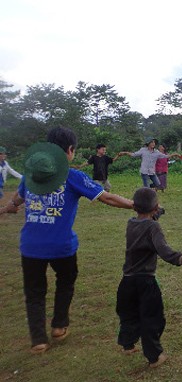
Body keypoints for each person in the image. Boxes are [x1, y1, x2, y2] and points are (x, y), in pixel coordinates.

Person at [0, 127, 134, 354]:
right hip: (62, 247)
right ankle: (59, 326)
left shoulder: (32, 175)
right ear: (70, 150)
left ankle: (38, 340)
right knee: (65, 282)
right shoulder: (73, 176)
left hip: (30, 247)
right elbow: (108, 198)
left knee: (34, 292)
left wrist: (6, 209)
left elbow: (16, 201)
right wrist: (138, 204)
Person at [116, 188, 182, 367]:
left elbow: (147, 220)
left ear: (134, 206)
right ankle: (154, 357)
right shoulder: (153, 226)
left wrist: (155, 212)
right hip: (146, 282)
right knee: (152, 318)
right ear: (156, 207)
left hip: (127, 281)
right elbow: (163, 250)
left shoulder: (131, 222)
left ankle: (127, 345)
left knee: (129, 315)